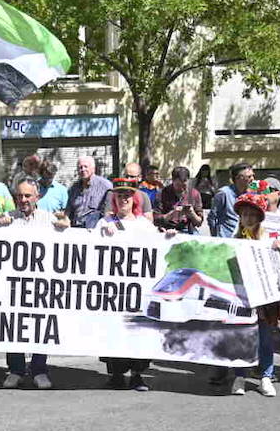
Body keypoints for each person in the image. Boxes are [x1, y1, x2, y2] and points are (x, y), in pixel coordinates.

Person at [0, 177, 68, 388]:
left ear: (37, 197)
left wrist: (67, 224)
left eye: (28, 195)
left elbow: (68, 232)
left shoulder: (48, 219)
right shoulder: (8, 218)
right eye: (19, 196)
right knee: (13, 325)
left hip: (40, 285)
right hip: (13, 285)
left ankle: (39, 369)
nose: (23, 199)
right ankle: (16, 370)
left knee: (40, 325)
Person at [219, 192, 280, 397]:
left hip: (264, 298)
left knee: (264, 338)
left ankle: (266, 376)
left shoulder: (268, 238)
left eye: (253, 215)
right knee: (241, 337)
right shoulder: (233, 239)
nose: (248, 219)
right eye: (245, 215)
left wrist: (278, 250)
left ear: (259, 218)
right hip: (241, 296)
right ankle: (240, 376)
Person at [100, 176, 157, 390]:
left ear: (135, 199)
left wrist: (168, 237)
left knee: (138, 329)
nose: (123, 199)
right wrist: (103, 236)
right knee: (113, 329)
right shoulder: (105, 223)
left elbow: (156, 250)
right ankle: (116, 373)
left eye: (127, 196)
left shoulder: (144, 225)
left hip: (138, 290)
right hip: (113, 290)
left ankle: (137, 374)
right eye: (119, 195)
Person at [208, 162, 253, 238]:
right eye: (249, 177)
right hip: (226, 238)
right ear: (239, 178)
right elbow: (212, 217)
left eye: (253, 176)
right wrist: (216, 237)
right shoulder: (224, 193)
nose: (252, 179)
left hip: (244, 239)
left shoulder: (250, 195)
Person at [65, 155, 112, 229]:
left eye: (85, 166)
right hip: (76, 230)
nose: (83, 169)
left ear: (93, 168)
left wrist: (111, 225)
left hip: (96, 230)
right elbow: (68, 212)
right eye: (80, 167)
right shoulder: (73, 188)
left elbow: (110, 211)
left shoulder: (106, 186)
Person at [156, 165, 204, 233]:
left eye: (184, 185)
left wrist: (192, 213)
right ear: (172, 180)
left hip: (188, 229)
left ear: (188, 181)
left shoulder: (194, 194)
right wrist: (172, 214)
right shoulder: (162, 193)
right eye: (178, 185)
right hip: (167, 229)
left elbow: (199, 222)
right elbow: (156, 219)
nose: (181, 188)